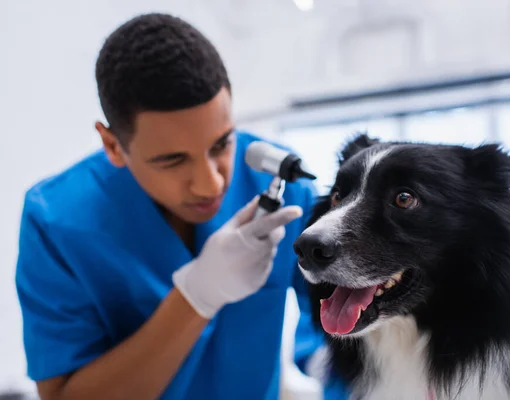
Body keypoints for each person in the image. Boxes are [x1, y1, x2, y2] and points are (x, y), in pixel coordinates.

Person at [14, 13, 346, 400]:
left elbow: (341, 331)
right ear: (112, 145)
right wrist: (196, 296)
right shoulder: (56, 221)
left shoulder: (279, 182)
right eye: (172, 160)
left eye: (222, 143)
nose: (212, 183)